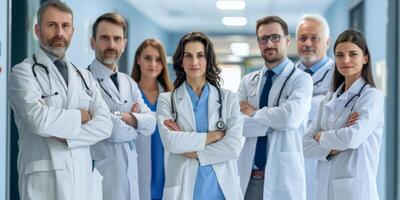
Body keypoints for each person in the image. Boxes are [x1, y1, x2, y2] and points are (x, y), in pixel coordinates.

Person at [8, 1, 112, 200]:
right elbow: (38, 120)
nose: (59, 32)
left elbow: (105, 125)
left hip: (82, 182)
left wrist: (67, 136)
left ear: (72, 31)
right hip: (43, 185)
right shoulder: (23, 73)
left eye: (65, 26)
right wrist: (81, 115)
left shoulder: (84, 77)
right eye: (51, 25)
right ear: (37, 30)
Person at [157, 32, 244, 200]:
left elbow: (232, 147)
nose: (194, 62)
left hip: (221, 189)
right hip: (184, 188)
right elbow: (171, 142)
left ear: (208, 60)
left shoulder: (229, 99)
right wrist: (215, 136)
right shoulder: (167, 100)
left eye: (200, 55)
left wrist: (188, 148)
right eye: (188, 56)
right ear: (181, 61)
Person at [237, 15, 313, 200]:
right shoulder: (248, 81)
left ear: (287, 40)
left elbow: (289, 118)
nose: (269, 43)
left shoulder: (301, 79)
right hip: (248, 176)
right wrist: (273, 123)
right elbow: (236, 123)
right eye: (263, 39)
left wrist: (253, 113)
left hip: (283, 177)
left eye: (275, 37)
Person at [303, 29, 384, 200]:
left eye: (353, 54)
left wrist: (321, 136)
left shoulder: (371, 96)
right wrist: (331, 150)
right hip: (324, 188)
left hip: (355, 191)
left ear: (365, 58)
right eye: (339, 55)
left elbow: (351, 139)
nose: (345, 60)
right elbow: (305, 146)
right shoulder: (328, 100)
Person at [88, 13, 156, 200]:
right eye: (104, 38)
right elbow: (114, 130)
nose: (111, 45)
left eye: (117, 39)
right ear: (93, 42)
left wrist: (128, 119)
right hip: (102, 179)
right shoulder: (84, 81)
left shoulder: (129, 83)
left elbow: (152, 122)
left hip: (130, 179)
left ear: (124, 44)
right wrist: (136, 125)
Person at [295, 14, 335, 200]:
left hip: (327, 160)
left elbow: (334, 112)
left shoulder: (341, 76)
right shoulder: (285, 76)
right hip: (293, 159)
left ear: (327, 42)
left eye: (314, 38)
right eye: (302, 38)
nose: (307, 43)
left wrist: (291, 108)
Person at [131, 38, 173, 200]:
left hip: (164, 164)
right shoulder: (128, 94)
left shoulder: (171, 95)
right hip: (137, 162)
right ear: (138, 59)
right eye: (148, 58)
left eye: (158, 59)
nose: (153, 64)